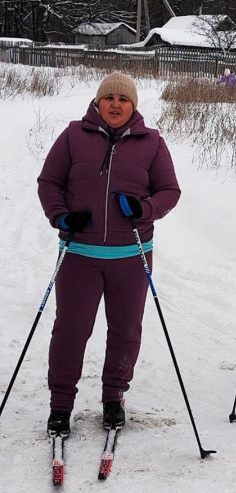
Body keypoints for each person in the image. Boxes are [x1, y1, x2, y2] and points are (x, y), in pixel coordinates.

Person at [37, 71, 181, 435]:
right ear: (98, 103)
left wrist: (143, 209)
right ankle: (60, 403)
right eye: (109, 98)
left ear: (133, 105)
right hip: (79, 253)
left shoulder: (152, 142)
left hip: (132, 255)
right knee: (71, 329)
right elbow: (49, 182)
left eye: (123, 99)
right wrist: (62, 216)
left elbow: (169, 190)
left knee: (126, 331)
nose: (116, 105)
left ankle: (114, 398)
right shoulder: (73, 136)